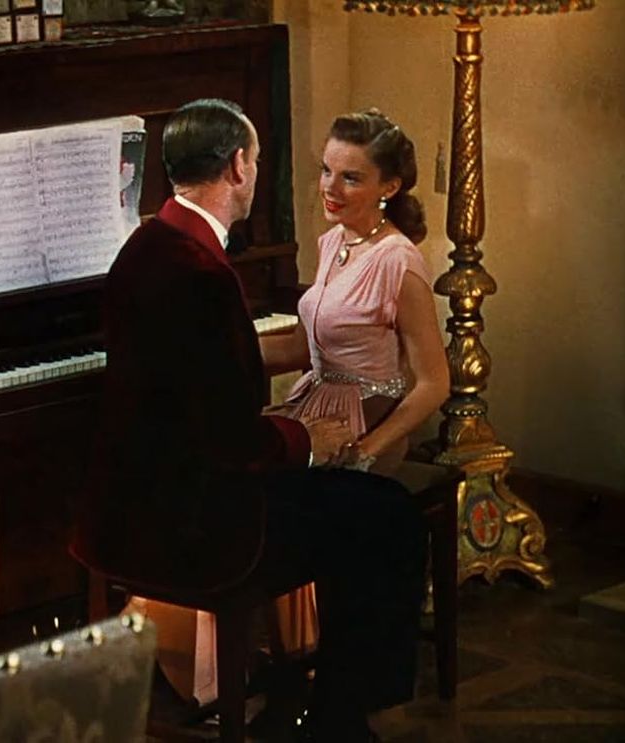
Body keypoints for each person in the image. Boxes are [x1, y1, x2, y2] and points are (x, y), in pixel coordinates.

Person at [74, 99, 427, 742]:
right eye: (258, 160)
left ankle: (299, 692)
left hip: (131, 501)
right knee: (387, 517)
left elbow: (198, 390)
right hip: (196, 520)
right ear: (239, 165)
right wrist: (305, 436)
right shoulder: (199, 270)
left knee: (358, 506)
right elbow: (230, 438)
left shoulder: (149, 244)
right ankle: (339, 720)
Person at [263, 109, 450, 655]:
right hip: (314, 403)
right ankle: (275, 653)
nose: (330, 188)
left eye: (351, 178)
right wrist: (217, 353)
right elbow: (302, 347)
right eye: (327, 171)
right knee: (241, 468)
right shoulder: (333, 243)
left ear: (388, 187)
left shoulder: (398, 262)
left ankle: (322, 657)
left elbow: (434, 382)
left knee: (281, 498)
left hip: (371, 418)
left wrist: (370, 448)